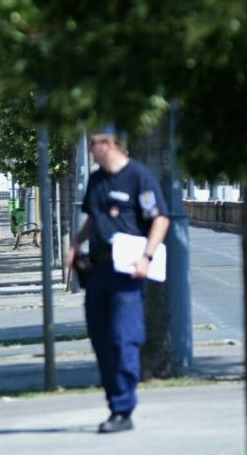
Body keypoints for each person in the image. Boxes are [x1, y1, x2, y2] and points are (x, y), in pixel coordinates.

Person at [67, 127, 170, 434]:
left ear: (110, 144)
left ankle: (123, 408)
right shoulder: (97, 180)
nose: (90, 149)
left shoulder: (139, 176)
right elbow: (92, 220)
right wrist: (75, 244)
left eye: (94, 144)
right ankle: (115, 402)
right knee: (100, 339)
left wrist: (147, 257)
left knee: (123, 338)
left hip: (127, 270)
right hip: (98, 271)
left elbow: (160, 219)